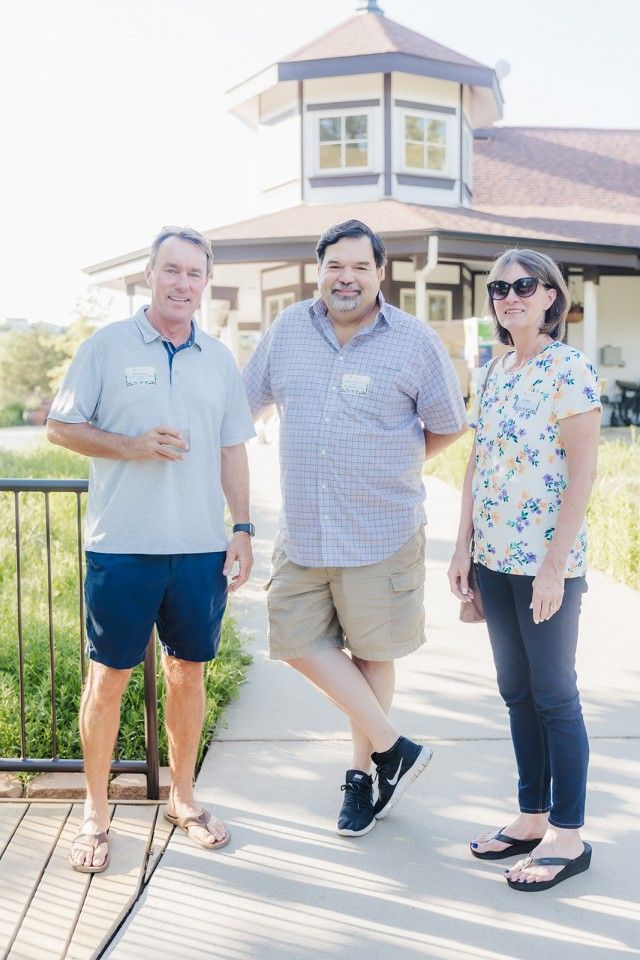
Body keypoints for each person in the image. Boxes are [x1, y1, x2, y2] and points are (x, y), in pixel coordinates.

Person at [243, 219, 467, 837]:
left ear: (379, 273)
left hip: (382, 529)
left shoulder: (414, 342)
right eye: (335, 266)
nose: (347, 277)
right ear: (319, 271)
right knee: (293, 639)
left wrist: (397, 461)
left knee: (373, 653)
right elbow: (242, 402)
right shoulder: (289, 329)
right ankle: (395, 746)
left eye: (360, 267)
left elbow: (449, 423)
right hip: (306, 528)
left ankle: (362, 776)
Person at [47, 226, 256, 872]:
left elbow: (231, 448)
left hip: (197, 551)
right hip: (122, 549)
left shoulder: (219, 359)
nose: (183, 283)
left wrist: (242, 528)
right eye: (172, 270)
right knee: (106, 681)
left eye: (194, 274)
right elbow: (59, 427)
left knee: (186, 673)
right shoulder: (105, 347)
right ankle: (95, 812)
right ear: (149, 275)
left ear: (205, 283)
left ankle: (184, 799)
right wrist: (131, 446)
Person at [447, 248, 601, 891]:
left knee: (554, 695)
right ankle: (531, 817)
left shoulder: (569, 369)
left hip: (546, 565)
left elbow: (584, 473)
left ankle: (569, 835)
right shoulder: (497, 369)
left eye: (522, 286)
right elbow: (477, 465)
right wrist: (462, 548)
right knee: (516, 693)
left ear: (549, 296)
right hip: (493, 560)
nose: (508, 297)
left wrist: (553, 567)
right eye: (498, 289)